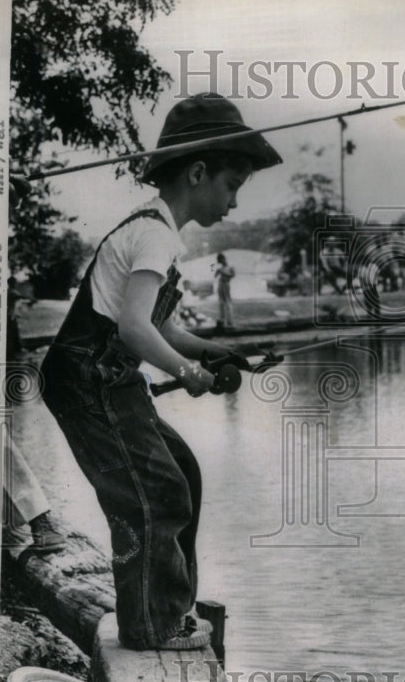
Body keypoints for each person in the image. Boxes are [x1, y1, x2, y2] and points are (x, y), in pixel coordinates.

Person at [40, 93, 282, 651]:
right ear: (198, 172)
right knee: (155, 491)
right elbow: (134, 331)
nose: (234, 203)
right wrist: (185, 373)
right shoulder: (152, 233)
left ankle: (173, 607)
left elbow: (161, 326)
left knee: (182, 470)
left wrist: (211, 354)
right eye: (232, 185)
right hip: (87, 380)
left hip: (109, 378)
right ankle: (151, 625)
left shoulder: (161, 233)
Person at [213, 252, 235, 330]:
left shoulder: (230, 267)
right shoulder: (221, 268)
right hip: (221, 284)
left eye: (221, 260)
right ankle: (222, 320)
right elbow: (215, 276)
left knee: (228, 302)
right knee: (221, 302)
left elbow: (232, 275)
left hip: (226, 284)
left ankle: (230, 320)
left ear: (223, 259)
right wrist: (217, 271)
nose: (221, 262)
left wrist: (222, 272)